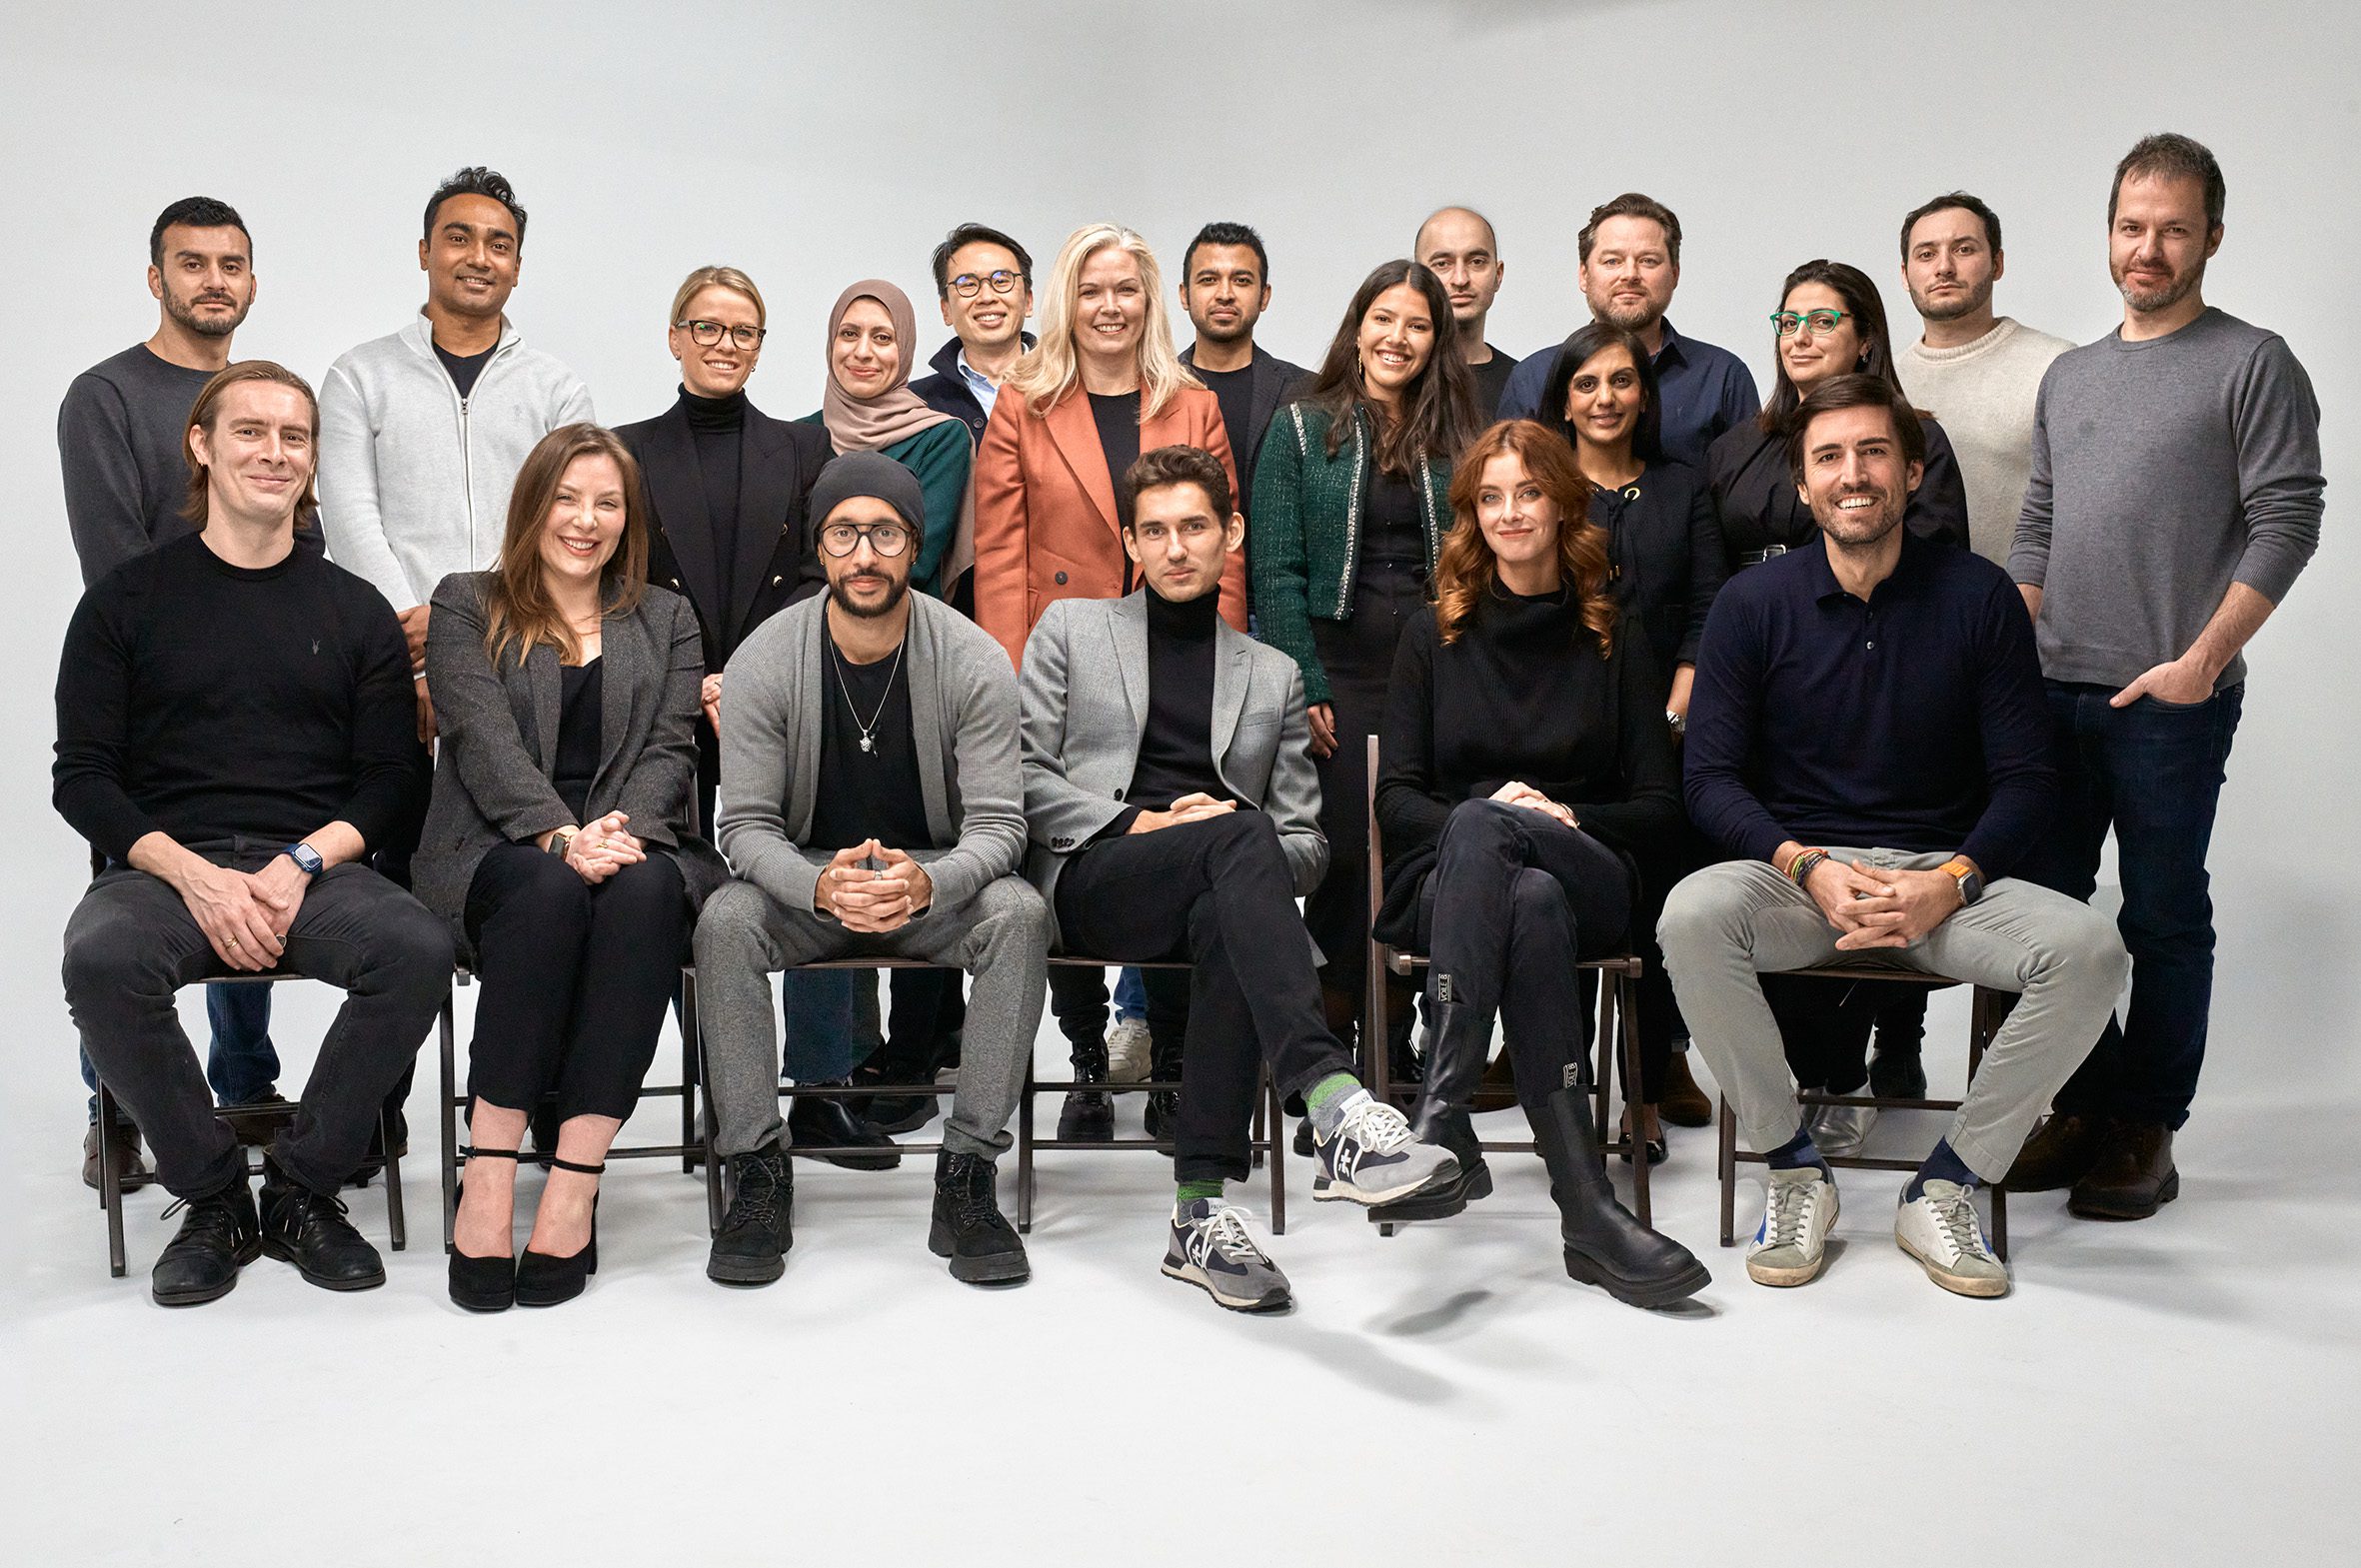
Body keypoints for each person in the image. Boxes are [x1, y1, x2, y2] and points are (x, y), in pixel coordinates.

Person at [1660, 374, 2128, 1298]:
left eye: (1874, 452)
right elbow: (1708, 779)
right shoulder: (1754, 609)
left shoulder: (1979, 597)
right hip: (1805, 880)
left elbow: (2030, 779)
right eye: (1829, 457)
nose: (1853, 474)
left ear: (1913, 471)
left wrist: (1951, 880)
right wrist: (1807, 864)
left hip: (1945, 886)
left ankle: (1948, 1183)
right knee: (1689, 917)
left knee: (2089, 949)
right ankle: (1794, 1167)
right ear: (1803, 485)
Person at [1020, 445, 1457, 1311]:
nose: (1176, 547)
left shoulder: (1273, 673)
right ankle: (1333, 1100)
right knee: (1236, 835)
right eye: (1156, 531)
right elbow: (1025, 779)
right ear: (1131, 544)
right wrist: (1153, 822)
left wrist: (1228, 840)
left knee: (1238, 871)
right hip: (1094, 877)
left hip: (1215, 892)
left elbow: (1304, 842)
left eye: (1194, 527)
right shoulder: (1068, 629)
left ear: (1232, 533)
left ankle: (1198, 1217)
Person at [55, 362, 453, 1307]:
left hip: (311, 866)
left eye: (294, 437)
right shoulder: (125, 603)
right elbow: (83, 779)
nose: (273, 453)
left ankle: (305, 1187)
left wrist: (301, 862)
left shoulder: (353, 610)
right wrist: (195, 876)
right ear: (201, 445)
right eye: (250, 432)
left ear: (313, 461)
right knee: (103, 962)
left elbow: (396, 781)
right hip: (165, 870)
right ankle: (214, 1195)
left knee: (416, 949)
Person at [2006, 133, 2323, 1220]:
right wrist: (2012, 658)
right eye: (2132, 227)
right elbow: (2039, 525)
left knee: (2161, 918)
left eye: (2173, 229)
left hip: (2167, 704)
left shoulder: (2252, 361)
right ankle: (2085, 1106)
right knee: (2044, 914)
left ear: (2212, 239)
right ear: (2108, 233)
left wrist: (2202, 662)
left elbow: (2288, 520)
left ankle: (2147, 1127)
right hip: (2049, 696)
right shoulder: (2072, 374)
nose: (2148, 248)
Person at [1373, 421, 1710, 1309]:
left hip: (1592, 865)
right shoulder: (1432, 636)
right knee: (1518, 891)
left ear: (1565, 504)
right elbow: (1396, 798)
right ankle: (1589, 1212)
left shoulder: (1615, 632)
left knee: (1506, 840)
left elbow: (1660, 807)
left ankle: (1441, 1116)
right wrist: (1482, 824)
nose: (1509, 512)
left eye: (1528, 492)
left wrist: (1559, 814)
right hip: (1465, 885)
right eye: (1490, 496)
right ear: (1470, 514)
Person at [697, 454, 1050, 1289]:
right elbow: (742, 826)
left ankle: (967, 1172)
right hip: (806, 882)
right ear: (821, 548)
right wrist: (817, 885)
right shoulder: (763, 660)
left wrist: (933, 882)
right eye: (846, 533)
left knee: (1021, 912)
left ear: (914, 545)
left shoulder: (971, 658)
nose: (865, 553)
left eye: (885, 533)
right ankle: (756, 1167)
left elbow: (1002, 823)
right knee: (724, 921)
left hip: (934, 879)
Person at [417, 424, 728, 1311]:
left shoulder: (662, 616)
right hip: (492, 847)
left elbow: (671, 752)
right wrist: (561, 837)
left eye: (607, 503)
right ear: (533, 505)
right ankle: (489, 1175)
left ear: (628, 519)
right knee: (551, 888)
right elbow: (480, 745)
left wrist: (611, 834)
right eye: (567, 498)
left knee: (645, 893)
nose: (585, 520)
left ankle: (574, 1180)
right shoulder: (466, 603)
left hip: (633, 839)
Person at [611, 268, 892, 1166]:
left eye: (745, 331)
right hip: (662, 700)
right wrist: (693, 676)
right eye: (709, 327)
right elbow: (623, 585)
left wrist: (754, 676)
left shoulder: (804, 450)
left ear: (762, 346)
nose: (727, 344)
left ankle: (822, 1089)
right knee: (687, 888)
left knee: (819, 861)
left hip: (780, 698)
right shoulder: (628, 449)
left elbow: (823, 573)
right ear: (675, 336)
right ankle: (724, 1092)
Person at [974, 223, 1242, 1139]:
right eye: (1093, 290)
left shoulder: (1192, 402)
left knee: (1177, 854)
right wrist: (1010, 685)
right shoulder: (1023, 401)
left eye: (1128, 288)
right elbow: (1003, 555)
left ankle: (1170, 1061)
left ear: (1149, 298)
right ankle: (1086, 1060)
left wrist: (1228, 679)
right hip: (1061, 667)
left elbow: (1223, 549)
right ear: (1067, 301)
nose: (1111, 305)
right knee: (1067, 853)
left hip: (1175, 668)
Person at [1705, 259, 1970, 1127]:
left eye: (1824, 320)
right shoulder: (1739, 445)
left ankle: (1876, 1051)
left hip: (1873, 671)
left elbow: (1928, 573)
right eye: (1789, 319)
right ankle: (1811, 1072)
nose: (1801, 336)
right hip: (1761, 666)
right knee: (1762, 853)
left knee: (1885, 830)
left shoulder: (1910, 436)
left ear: (1865, 334)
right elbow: (1707, 572)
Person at [57, 196, 283, 1185]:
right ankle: (118, 1108)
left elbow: (295, 539)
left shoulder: (265, 403)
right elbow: (117, 569)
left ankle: (243, 1086)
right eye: (191, 264)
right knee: (134, 891)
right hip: (143, 705)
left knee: (242, 885)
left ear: (252, 281)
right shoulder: (105, 397)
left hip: (261, 709)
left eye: (230, 264)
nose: (213, 282)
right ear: (156, 279)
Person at [1251, 258, 1477, 1067]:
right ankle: (1331, 1039)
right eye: (1385, 319)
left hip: (1431, 675)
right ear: (1359, 325)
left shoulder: (1459, 438)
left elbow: (1474, 564)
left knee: (1418, 848)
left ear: (1436, 342)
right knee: (1347, 855)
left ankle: (1398, 1035)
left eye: (1418, 325)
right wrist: (1303, 682)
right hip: (1336, 672)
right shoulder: (1303, 426)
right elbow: (1275, 567)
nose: (1399, 337)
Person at [318, 166, 594, 742]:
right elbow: (349, 520)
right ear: (425, 252)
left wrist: (473, 626)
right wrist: (415, 640)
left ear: (517, 267)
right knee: (399, 822)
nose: (480, 257)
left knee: (518, 824)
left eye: (500, 245)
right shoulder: (358, 376)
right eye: (458, 237)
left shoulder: (557, 388)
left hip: (524, 650)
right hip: (392, 654)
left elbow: (572, 522)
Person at [1536, 323, 1730, 1139]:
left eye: (1621, 381)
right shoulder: (1540, 492)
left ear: (1643, 396)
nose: (1605, 397)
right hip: (1562, 736)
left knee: (1653, 923)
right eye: (1587, 383)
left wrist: (1675, 716)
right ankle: (1565, 1094)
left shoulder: (1685, 489)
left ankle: (1643, 1100)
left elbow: (1706, 610)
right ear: (1565, 401)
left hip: (1666, 740)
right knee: (1563, 914)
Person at [807, 276, 981, 1133]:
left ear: (907, 349)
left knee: (928, 841)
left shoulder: (941, 438)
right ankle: (846, 1062)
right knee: (834, 848)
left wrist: (841, 569)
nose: (865, 352)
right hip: (820, 671)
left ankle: (914, 1052)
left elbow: (919, 553)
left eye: (883, 337)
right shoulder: (800, 437)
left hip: (918, 662)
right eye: (850, 335)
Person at [1498, 193, 1759, 467]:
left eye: (1648, 261)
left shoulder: (1723, 378)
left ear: (1674, 274)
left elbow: (1744, 498)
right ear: (1584, 275)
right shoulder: (1533, 378)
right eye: (1612, 261)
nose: (1630, 274)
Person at [1893, 191, 2073, 564]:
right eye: (1926, 254)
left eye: (1963, 249)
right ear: (1905, 274)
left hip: (2028, 611)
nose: (1943, 267)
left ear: (1997, 263)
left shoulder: (2057, 365)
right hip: (1914, 613)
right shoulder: (1886, 384)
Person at [1175, 221, 1307, 523]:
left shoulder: (1307, 393)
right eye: (1208, 280)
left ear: (1264, 296)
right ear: (1184, 295)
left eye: (1242, 281)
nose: (1225, 294)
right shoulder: (1155, 391)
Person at [912, 223, 1037, 443]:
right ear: (946, 309)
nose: (987, 297)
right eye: (968, 284)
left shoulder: (1067, 388)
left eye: (1001, 281)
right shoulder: (915, 405)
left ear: (1028, 301)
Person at [1414, 206, 1517, 417]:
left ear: (1498, 275)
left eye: (1476, 262)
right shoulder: (1396, 376)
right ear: (1418, 276)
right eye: (1442, 264)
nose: (1460, 279)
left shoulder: (1522, 384)